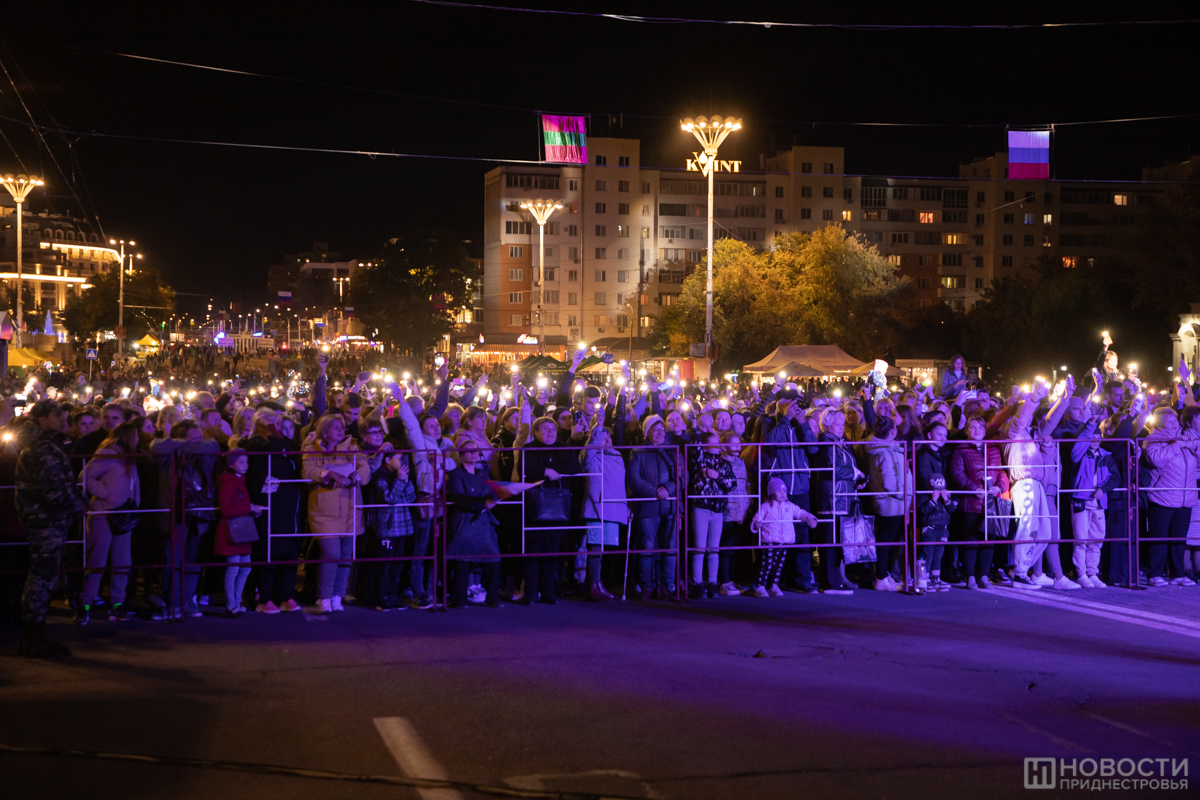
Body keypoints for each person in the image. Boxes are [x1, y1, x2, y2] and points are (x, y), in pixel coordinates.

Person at [16, 400, 86, 658]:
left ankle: (35, 634)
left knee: (44, 576)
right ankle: (33, 637)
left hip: (49, 519)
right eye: (57, 415)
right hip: (45, 521)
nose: (63, 419)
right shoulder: (41, 449)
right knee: (42, 577)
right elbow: (55, 490)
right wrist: (77, 505)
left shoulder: (45, 446)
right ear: (42, 420)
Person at [302, 414, 371, 613]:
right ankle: (324, 597)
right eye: (335, 427)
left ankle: (337, 596)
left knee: (345, 556)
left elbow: (365, 469)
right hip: (324, 511)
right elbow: (308, 471)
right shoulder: (312, 449)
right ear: (324, 431)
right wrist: (327, 474)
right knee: (331, 554)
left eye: (342, 427)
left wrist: (353, 478)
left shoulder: (352, 448)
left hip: (350, 508)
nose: (341, 431)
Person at [79, 420, 143, 623]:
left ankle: (117, 603)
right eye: (136, 435)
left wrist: (135, 503)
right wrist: (104, 493)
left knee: (123, 561)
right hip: (103, 514)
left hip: (123, 514)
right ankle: (84, 604)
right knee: (96, 560)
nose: (139, 438)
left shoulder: (128, 457)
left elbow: (133, 484)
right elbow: (84, 476)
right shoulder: (108, 454)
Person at [761, 398, 819, 592]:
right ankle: (775, 580)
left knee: (802, 535)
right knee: (777, 534)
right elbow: (769, 442)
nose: (792, 406)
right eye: (786, 402)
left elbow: (813, 448)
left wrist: (803, 422)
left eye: (794, 402)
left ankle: (802, 580)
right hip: (780, 489)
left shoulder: (802, 425)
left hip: (801, 487)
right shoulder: (770, 422)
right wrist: (785, 418)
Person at [948, 416, 1009, 590]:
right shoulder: (961, 449)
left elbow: (1001, 472)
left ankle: (983, 575)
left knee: (989, 540)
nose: (976, 430)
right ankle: (970, 576)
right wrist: (973, 488)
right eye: (972, 427)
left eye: (980, 427)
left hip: (991, 501)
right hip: (970, 501)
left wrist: (999, 487)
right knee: (970, 539)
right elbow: (957, 473)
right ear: (967, 430)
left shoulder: (993, 448)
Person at [1141, 407, 1199, 586]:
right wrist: (1176, 446)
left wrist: (1194, 446)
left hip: (1185, 497)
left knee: (1179, 539)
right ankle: (1155, 574)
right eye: (1169, 420)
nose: (1175, 422)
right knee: (1159, 537)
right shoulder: (1154, 439)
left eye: (1175, 419)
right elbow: (1154, 459)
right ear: (1159, 423)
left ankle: (1177, 574)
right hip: (1163, 496)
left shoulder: (1185, 438)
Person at [445, 435, 503, 608]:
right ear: (461, 456)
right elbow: (458, 498)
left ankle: (493, 597)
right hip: (465, 522)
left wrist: (492, 500)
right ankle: (459, 599)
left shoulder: (483, 473)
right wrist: (482, 502)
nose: (473, 454)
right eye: (469, 451)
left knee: (493, 558)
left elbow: (492, 492)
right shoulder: (456, 474)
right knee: (462, 560)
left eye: (475, 451)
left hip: (483, 522)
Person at [627, 415, 679, 601]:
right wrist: (655, 492)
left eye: (662, 429)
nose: (660, 433)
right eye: (655, 429)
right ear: (646, 432)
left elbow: (683, 476)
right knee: (647, 547)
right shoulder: (637, 452)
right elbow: (634, 478)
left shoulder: (673, 451)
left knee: (670, 548)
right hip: (648, 506)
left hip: (670, 505)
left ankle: (667, 586)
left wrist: (668, 488)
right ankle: (647, 586)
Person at [214, 449, 267, 616]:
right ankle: (232, 604)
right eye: (241, 462)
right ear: (231, 464)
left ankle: (235, 602)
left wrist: (251, 509)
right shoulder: (230, 482)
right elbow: (226, 508)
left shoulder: (237, 480)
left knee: (244, 568)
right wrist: (250, 507)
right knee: (235, 568)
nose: (246, 465)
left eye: (246, 462)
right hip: (234, 531)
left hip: (240, 530)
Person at [579, 420, 626, 603]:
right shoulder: (591, 455)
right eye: (603, 438)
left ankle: (599, 583)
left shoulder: (617, 455)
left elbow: (620, 484)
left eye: (609, 437)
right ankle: (593, 585)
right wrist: (597, 430)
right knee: (595, 547)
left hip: (614, 507)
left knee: (604, 548)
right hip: (597, 507)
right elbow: (589, 451)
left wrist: (625, 506)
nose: (608, 440)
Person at [749, 477, 819, 597]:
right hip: (769, 541)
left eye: (784, 491)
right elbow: (756, 519)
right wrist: (756, 525)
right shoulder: (765, 507)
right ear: (772, 493)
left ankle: (774, 586)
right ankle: (760, 586)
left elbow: (800, 512)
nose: (782, 493)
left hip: (784, 542)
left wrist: (810, 518)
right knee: (766, 564)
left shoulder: (790, 506)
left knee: (778, 565)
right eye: (778, 491)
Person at [862, 416, 910, 591]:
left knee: (887, 540)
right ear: (893, 431)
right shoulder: (886, 452)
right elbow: (890, 481)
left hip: (890, 501)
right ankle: (881, 577)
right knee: (885, 540)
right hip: (892, 502)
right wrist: (903, 494)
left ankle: (883, 575)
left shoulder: (883, 449)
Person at [687, 431, 736, 598]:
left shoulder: (724, 464)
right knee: (699, 547)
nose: (718, 446)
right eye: (714, 442)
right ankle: (698, 583)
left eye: (718, 442)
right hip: (701, 508)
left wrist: (718, 477)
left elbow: (731, 484)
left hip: (718, 511)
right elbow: (695, 450)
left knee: (714, 548)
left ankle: (713, 582)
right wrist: (696, 429)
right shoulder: (699, 460)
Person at [366, 448, 415, 610]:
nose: (402, 463)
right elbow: (390, 498)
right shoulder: (380, 477)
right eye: (399, 459)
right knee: (384, 564)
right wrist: (400, 481)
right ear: (388, 460)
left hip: (402, 528)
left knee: (397, 564)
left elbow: (411, 498)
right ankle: (382, 597)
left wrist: (405, 480)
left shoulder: (399, 476)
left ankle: (393, 595)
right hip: (387, 530)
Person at [915, 421, 954, 591]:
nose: (943, 438)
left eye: (945, 435)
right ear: (929, 435)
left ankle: (935, 579)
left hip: (941, 510)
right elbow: (927, 480)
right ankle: (923, 580)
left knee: (938, 551)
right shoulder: (924, 456)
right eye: (939, 434)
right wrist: (938, 493)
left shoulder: (940, 455)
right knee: (928, 551)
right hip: (930, 507)